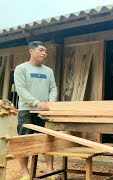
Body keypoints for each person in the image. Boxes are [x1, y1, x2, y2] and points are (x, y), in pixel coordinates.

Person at [14, 41, 58, 180]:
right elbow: (21, 89)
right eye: (41, 50)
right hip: (26, 111)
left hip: (44, 112)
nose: (44, 53)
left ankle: (50, 170)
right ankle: (25, 173)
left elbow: (53, 88)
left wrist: (50, 103)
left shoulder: (48, 71)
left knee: (47, 140)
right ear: (31, 51)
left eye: (46, 51)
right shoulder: (21, 69)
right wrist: (36, 103)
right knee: (24, 142)